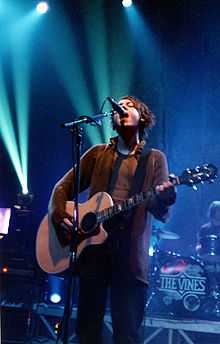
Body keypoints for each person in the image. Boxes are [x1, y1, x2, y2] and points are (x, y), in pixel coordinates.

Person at [48, 95, 176, 344]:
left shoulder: (153, 159)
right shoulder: (97, 154)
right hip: (92, 253)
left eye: (129, 106)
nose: (122, 108)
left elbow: (162, 210)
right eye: (119, 106)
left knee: (126, 334)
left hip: (130, 258)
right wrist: (61, 215)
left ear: (143, 118)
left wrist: (167, 196)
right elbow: (62, 188)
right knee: (86, 332)